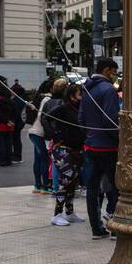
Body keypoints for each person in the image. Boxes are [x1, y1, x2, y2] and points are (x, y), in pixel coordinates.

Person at [80, 58, 122, 238]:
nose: (115, 76)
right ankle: (115, 226)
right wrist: (120, 139)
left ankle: (96, 228)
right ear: (106, 70)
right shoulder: (108, 90)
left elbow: (81, 118)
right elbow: (110, 120)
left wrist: (90, 136)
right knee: (115, 186)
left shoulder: (86, 88)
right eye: (114, 72)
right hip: (108, 147)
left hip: (91, 145)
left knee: (93, 187)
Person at [43, 84, 86, 226]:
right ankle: (57, 214)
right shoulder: (63, 108)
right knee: (65, 182)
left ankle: (69, 212)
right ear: (72, 96)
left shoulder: (79, 109)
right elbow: (45, 118)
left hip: (76, 149)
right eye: (80, 94)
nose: (82, 97)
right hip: (63, 149)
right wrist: (53, 133)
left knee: (73, 182)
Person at [30, 80, 64, 194]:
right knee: (45, 159)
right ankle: (44, 186)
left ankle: (37, 185)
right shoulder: (48, 99)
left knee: (38, 160)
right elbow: (43, 117)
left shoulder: (40, 97)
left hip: (34, 131)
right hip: (40, 132)